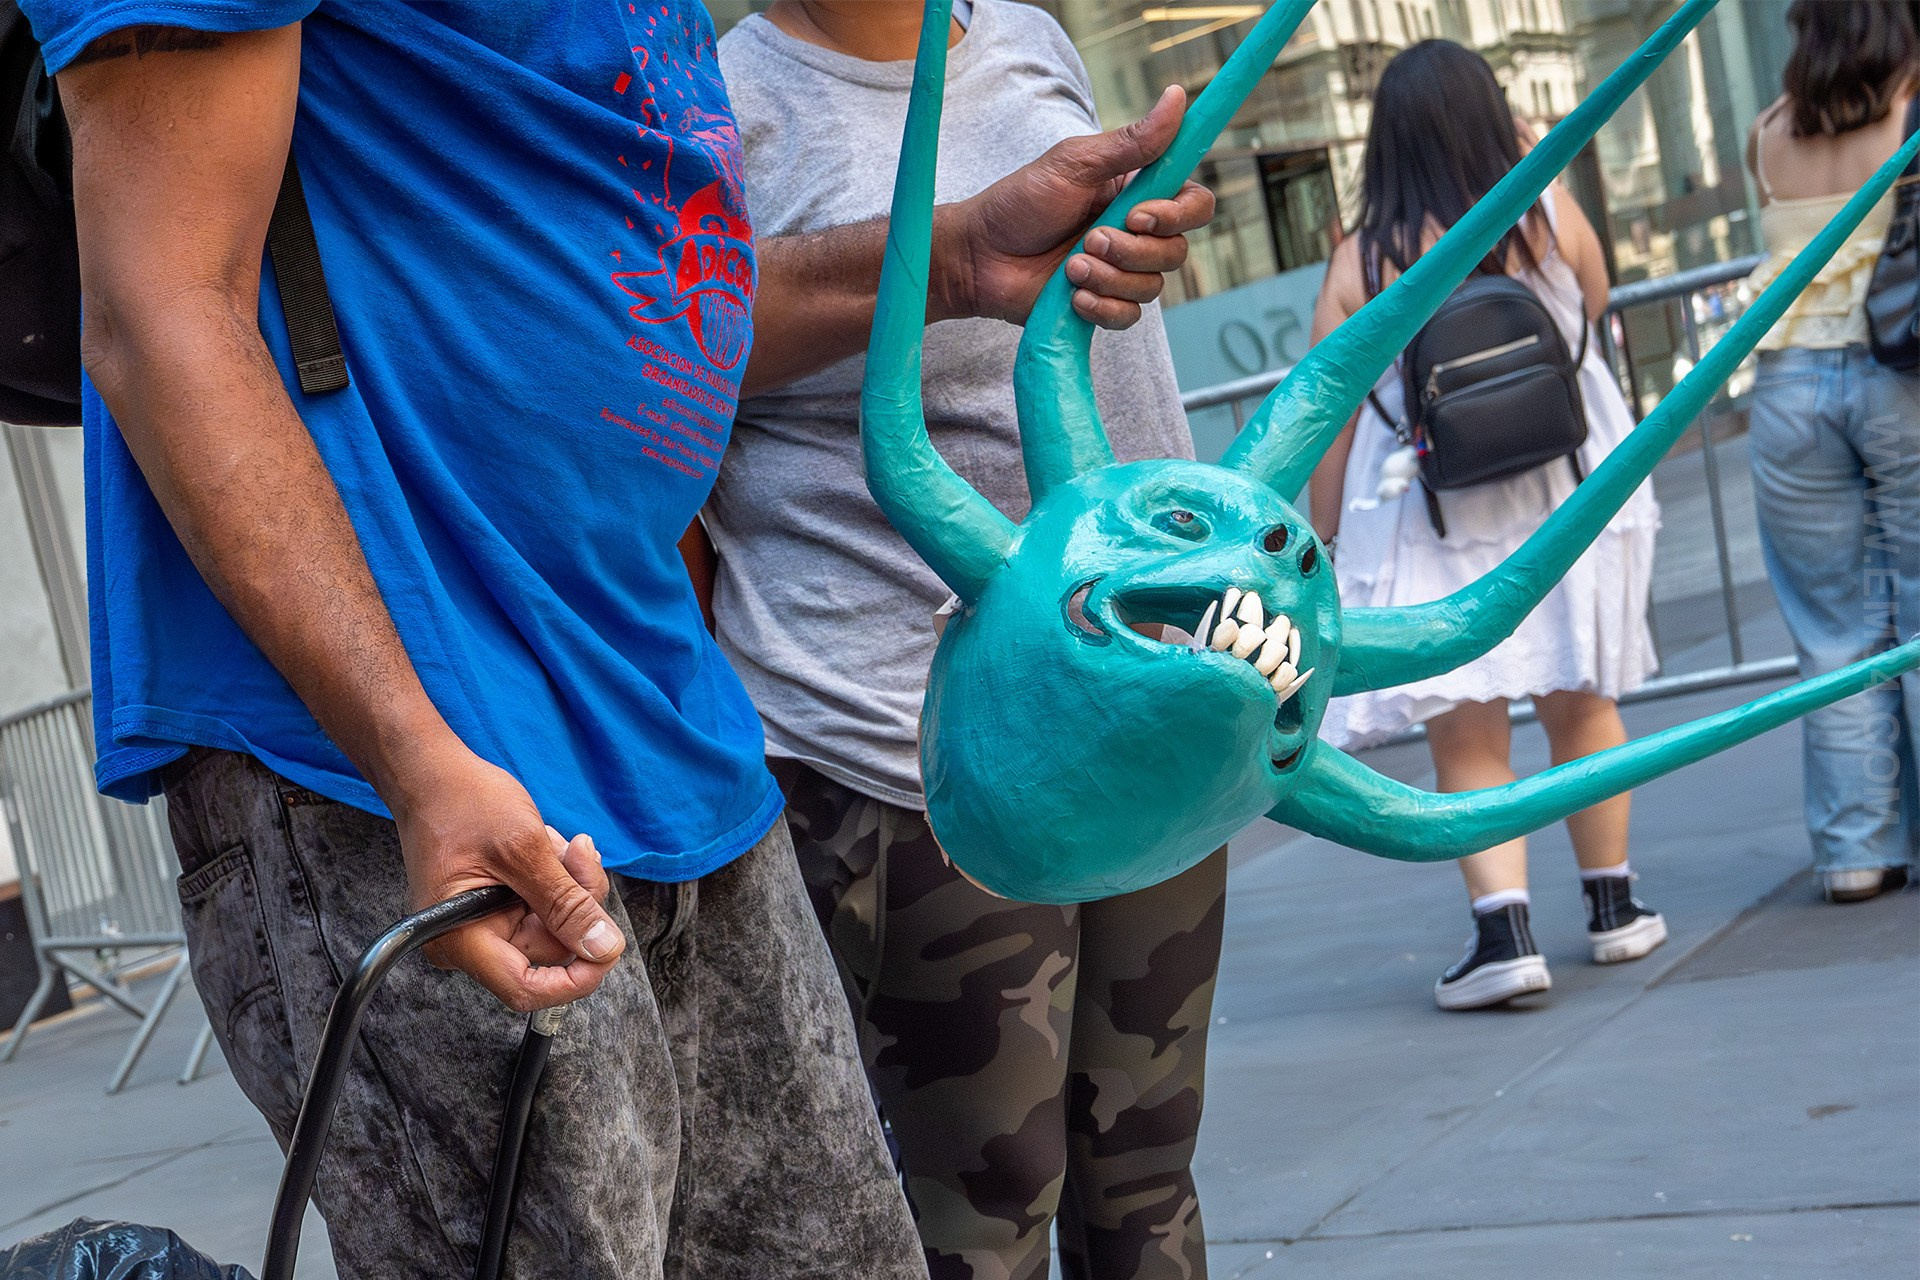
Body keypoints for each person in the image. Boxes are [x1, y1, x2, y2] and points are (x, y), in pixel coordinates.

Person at [21, 2, 1210, 1274]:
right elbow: (160, 306)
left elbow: (649, 291)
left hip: (664, 714)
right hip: (417, 743)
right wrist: (414, 755)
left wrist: (960, 256)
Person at [705, 3, 1223, 1277]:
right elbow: (661, 352)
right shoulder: (722, 101)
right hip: (909, 740)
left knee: (1148, 1170)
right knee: (986, 1209)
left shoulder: (1032, 34)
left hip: (1146, 699)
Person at [1306, 40, 1665, 1013]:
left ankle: (1504, 933)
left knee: (1469, 734)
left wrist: (1323, 544)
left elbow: (1330, 417)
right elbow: (1591, 308)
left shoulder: (1361, 260)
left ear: (1383, 144)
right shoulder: (1544, 212)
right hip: (1569, 498)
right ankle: (1616, 905)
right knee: (1582, 706)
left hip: (1438, 519)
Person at [1744, 0, 1919, 905]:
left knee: (1832, 631)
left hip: (1786, 390)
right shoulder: (1909, 109)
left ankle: (1856, 851)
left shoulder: (1767, 132)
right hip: (1901, 377)